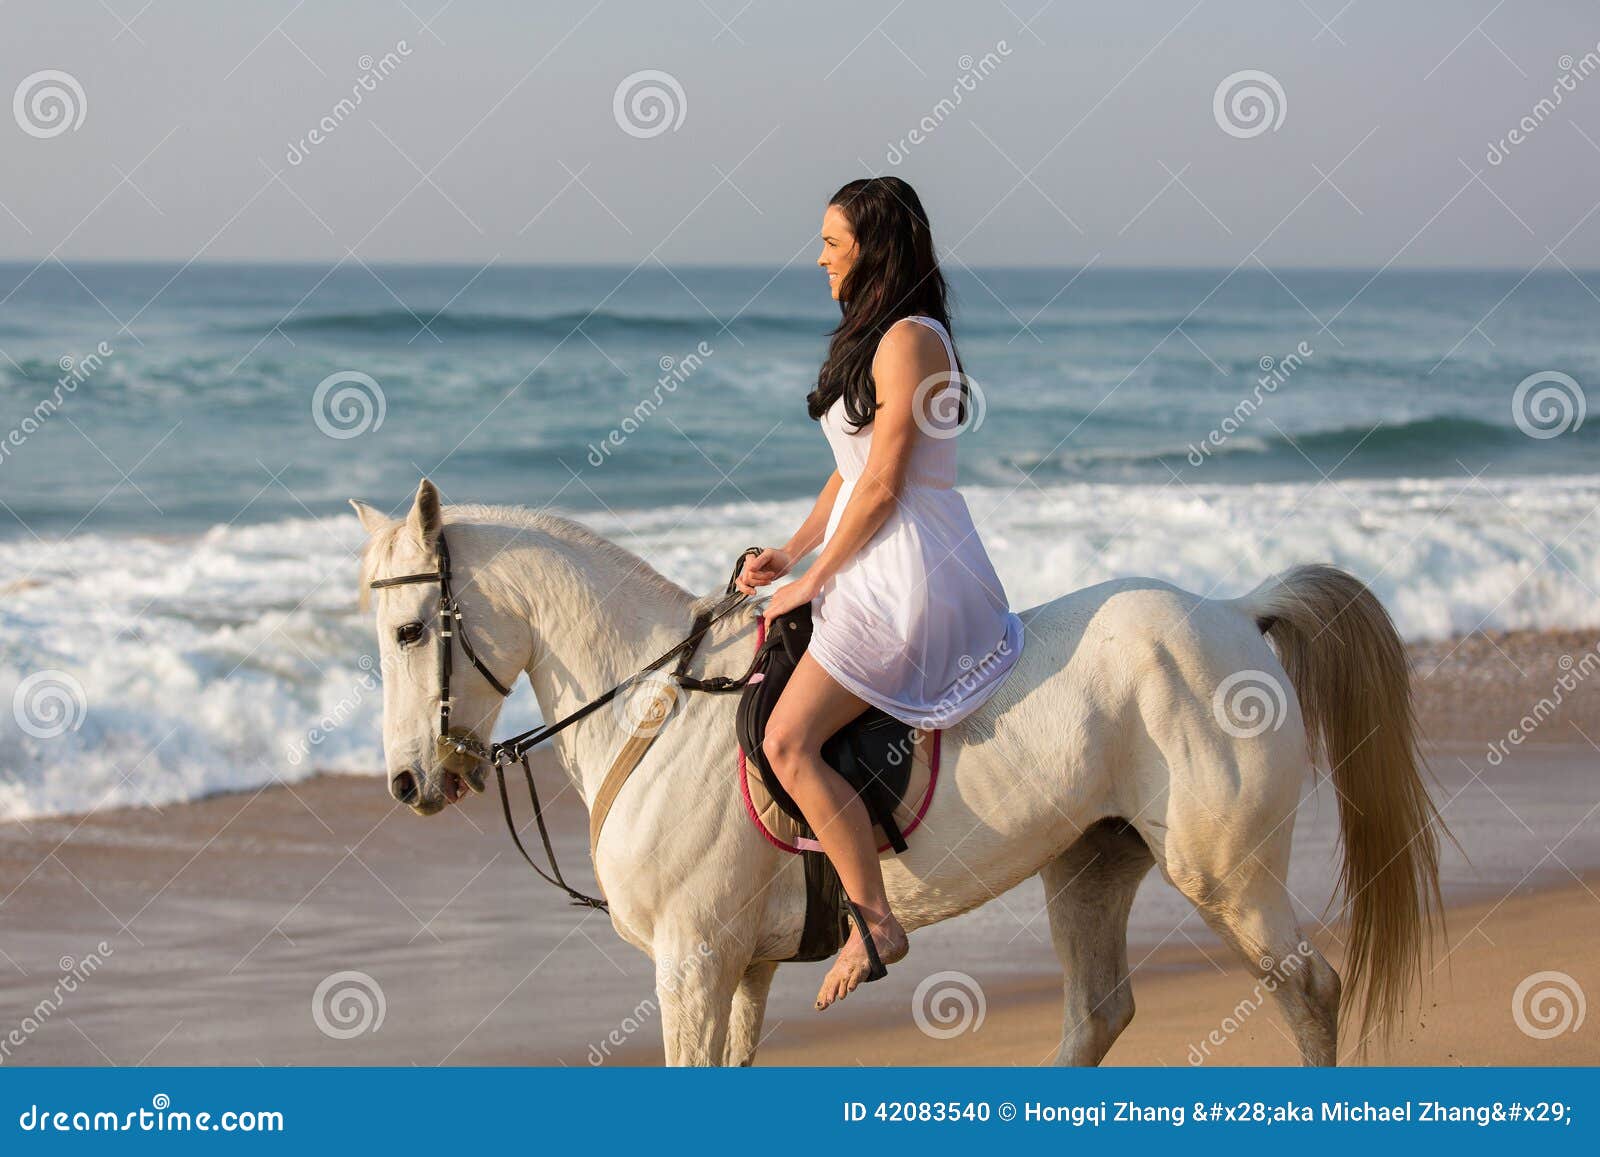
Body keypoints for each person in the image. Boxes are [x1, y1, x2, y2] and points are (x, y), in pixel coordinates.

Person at [734, 176, 1025, 1011]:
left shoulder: (909, 338)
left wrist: (815, 582)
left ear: (873, 244)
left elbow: (888, 481)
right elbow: (850, 468)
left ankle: (874, 918)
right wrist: (791, 550)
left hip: (910, 570)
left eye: (832, 242)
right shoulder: (876, 336)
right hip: (874, 551)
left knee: (788, 740)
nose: (820, 257)